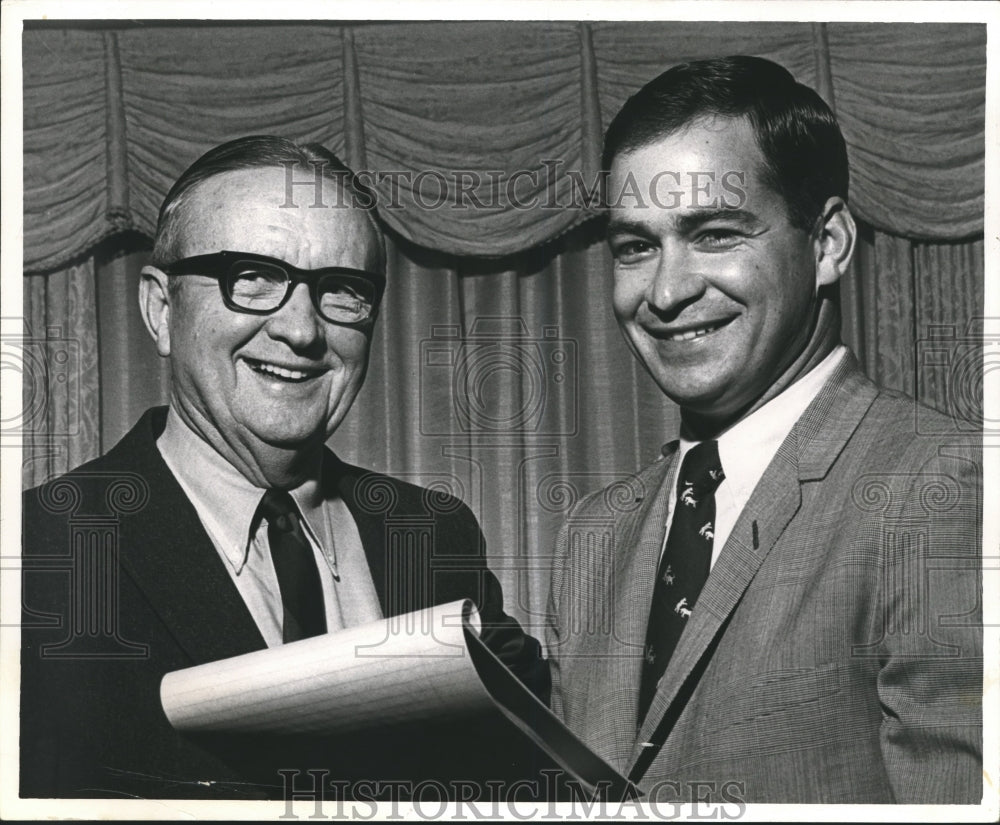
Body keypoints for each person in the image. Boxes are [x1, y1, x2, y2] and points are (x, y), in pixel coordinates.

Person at [20, 136, 549, 799]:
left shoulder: (437, 535)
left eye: (342, 290)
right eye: (254, 277)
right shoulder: (35, 554)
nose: (301, 329)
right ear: (161, 308)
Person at [545, 57, 982, 804]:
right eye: (634, 246)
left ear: (829, 243)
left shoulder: (946, 485)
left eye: (714, 234)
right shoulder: (593, 535)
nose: (667, 290)